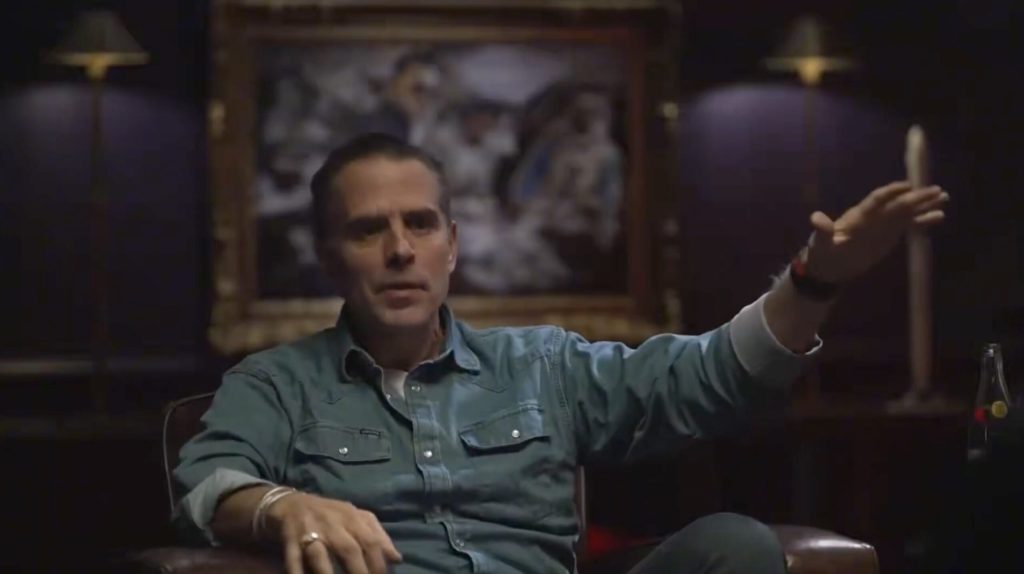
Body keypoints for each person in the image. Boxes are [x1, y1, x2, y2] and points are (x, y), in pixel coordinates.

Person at [173, 133, 949, 574]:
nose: (400, 250)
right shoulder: (277, 383)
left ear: (453, 246)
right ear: (327, 257)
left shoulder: (542, 365)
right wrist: (282, 505)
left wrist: (815, 282)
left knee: (733, 545)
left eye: (421, 224)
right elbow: (207, 485)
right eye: (368, 229)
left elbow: (710, 376)